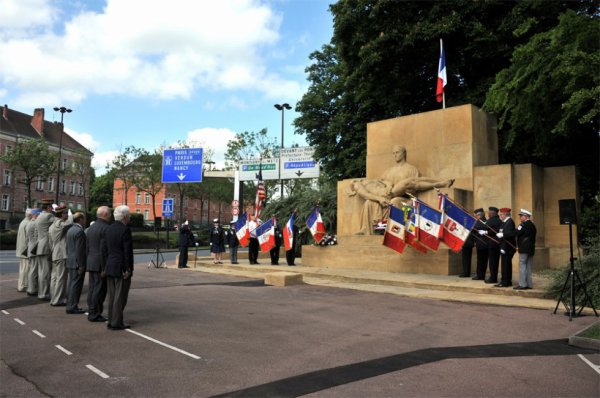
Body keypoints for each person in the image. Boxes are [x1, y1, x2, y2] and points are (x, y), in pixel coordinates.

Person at [349, 145, 454, 235]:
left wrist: (388, 185)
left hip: (404, 197)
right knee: (369, 202)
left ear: (404, 153)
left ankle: (440, 183)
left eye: (397, 152)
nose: (395, 155)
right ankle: (367, 229)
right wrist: (381, 197)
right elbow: (372, 191)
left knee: (406, 188)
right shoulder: (364, 183)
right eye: (393, 153)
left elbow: (385, 182)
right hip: (387, 197)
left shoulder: (411, 169)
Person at [103, 205, 134, 330]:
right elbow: (127, 251)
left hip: (110, 265)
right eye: (129, 215)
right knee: (120, 296)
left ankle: (111, 320)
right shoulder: (125, 230)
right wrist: (127, 268)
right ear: (125, 216)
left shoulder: (108, 229)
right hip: (121, 266)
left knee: (112, 295)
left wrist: (105, 266)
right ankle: (117, 322)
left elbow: (104, 249)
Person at [85, 206, 111, 322]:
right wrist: (105, 267)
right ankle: (95, 313)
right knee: (99, 289)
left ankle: (92, 310)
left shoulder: (91, 227)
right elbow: (105, 249)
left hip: (91, 261)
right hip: (101, 263)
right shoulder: (106, 228)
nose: (111, 216)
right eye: (109, 213)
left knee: (92, 288)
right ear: (105, 214)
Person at [48, 206, 73, 307]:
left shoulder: (51, 225)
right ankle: (57, 300)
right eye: (65, 213)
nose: (67, 215)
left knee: (54, 278)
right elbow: (69, 223)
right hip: (61, 253)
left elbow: (50, 242)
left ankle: (54, 297)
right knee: (61, 278)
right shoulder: (59, 223)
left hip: (55, 253)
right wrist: (71, 215)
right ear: (61, 214)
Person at [65, 212, 87, 313]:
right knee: (76, 285)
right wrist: (81, 265)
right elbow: (80, 250)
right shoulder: (80, 231)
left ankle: (70, 304)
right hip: (77, 263)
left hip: (70, 261)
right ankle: (73, 306)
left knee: (71, 284)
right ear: (81, 219)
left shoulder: (70, 230)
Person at [35, 198, 56, 300]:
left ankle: (41, 292)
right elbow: (59, 223)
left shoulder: (39, 216)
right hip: (46, 246)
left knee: (41, 272)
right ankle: (44, 294)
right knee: (46, 272)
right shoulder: (49, 215)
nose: (52, 209)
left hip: (40, 246)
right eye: (51, 207)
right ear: (48, 207)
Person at [515, 209, 537, 290]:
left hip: (524, 248)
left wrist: (505, 233)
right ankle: (529, 284)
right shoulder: (532, 224)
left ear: (526, 216)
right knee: (528, 266)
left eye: (521, 216)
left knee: (522, 265)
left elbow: (517, 232)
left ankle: (523, 284)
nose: (520, 217)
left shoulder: (523, 224)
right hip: (530, 248)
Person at [495, 207, 516, 287]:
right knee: (505, 265)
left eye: (501, 214)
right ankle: (505, 280)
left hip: (507, 247)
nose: (500, 216)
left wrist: (503, 247)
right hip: (504, 247)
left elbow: (509, 235)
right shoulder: (504, 222)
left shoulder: (509, 222)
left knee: (506, 265)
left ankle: (505, 282)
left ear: (505, 214)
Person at [480, 206, 501, 284]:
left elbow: (485, 227)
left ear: (493, 213)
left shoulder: (493, 220)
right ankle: (493, 277)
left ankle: (493, 278)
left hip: (493, 244)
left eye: (489, 212)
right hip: (495, 244)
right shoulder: (498, 220)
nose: (488, 214)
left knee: (492, 262)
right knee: (494, 262)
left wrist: (486, 232)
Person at [16, 208, 32, 292]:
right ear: (30, 215)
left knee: (22, 269)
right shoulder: (28, 223)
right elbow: (29, 239)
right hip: (25, 250)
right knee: (26, 270)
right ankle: (24, 286)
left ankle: (21, 285)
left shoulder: (23, 222)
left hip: (21, 249)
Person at [26, 209, 41, 297]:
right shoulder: (35, 223)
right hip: (34, 249)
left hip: (30, 248)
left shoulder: (29, 223)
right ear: (35, 215)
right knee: (34, 271)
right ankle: (32, 289)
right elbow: (37, 237)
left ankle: (31, 288)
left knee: (32, 270)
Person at [472, 208, 489, 280]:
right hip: (484, 244)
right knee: (483, 261)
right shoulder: (486, 221)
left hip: (481, 243)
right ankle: (481, 274)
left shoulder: (479, 222)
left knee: (481, 261)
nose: (475, 217)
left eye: (476, 215)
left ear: (479, 215)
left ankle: (480, 275)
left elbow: (474, 229)